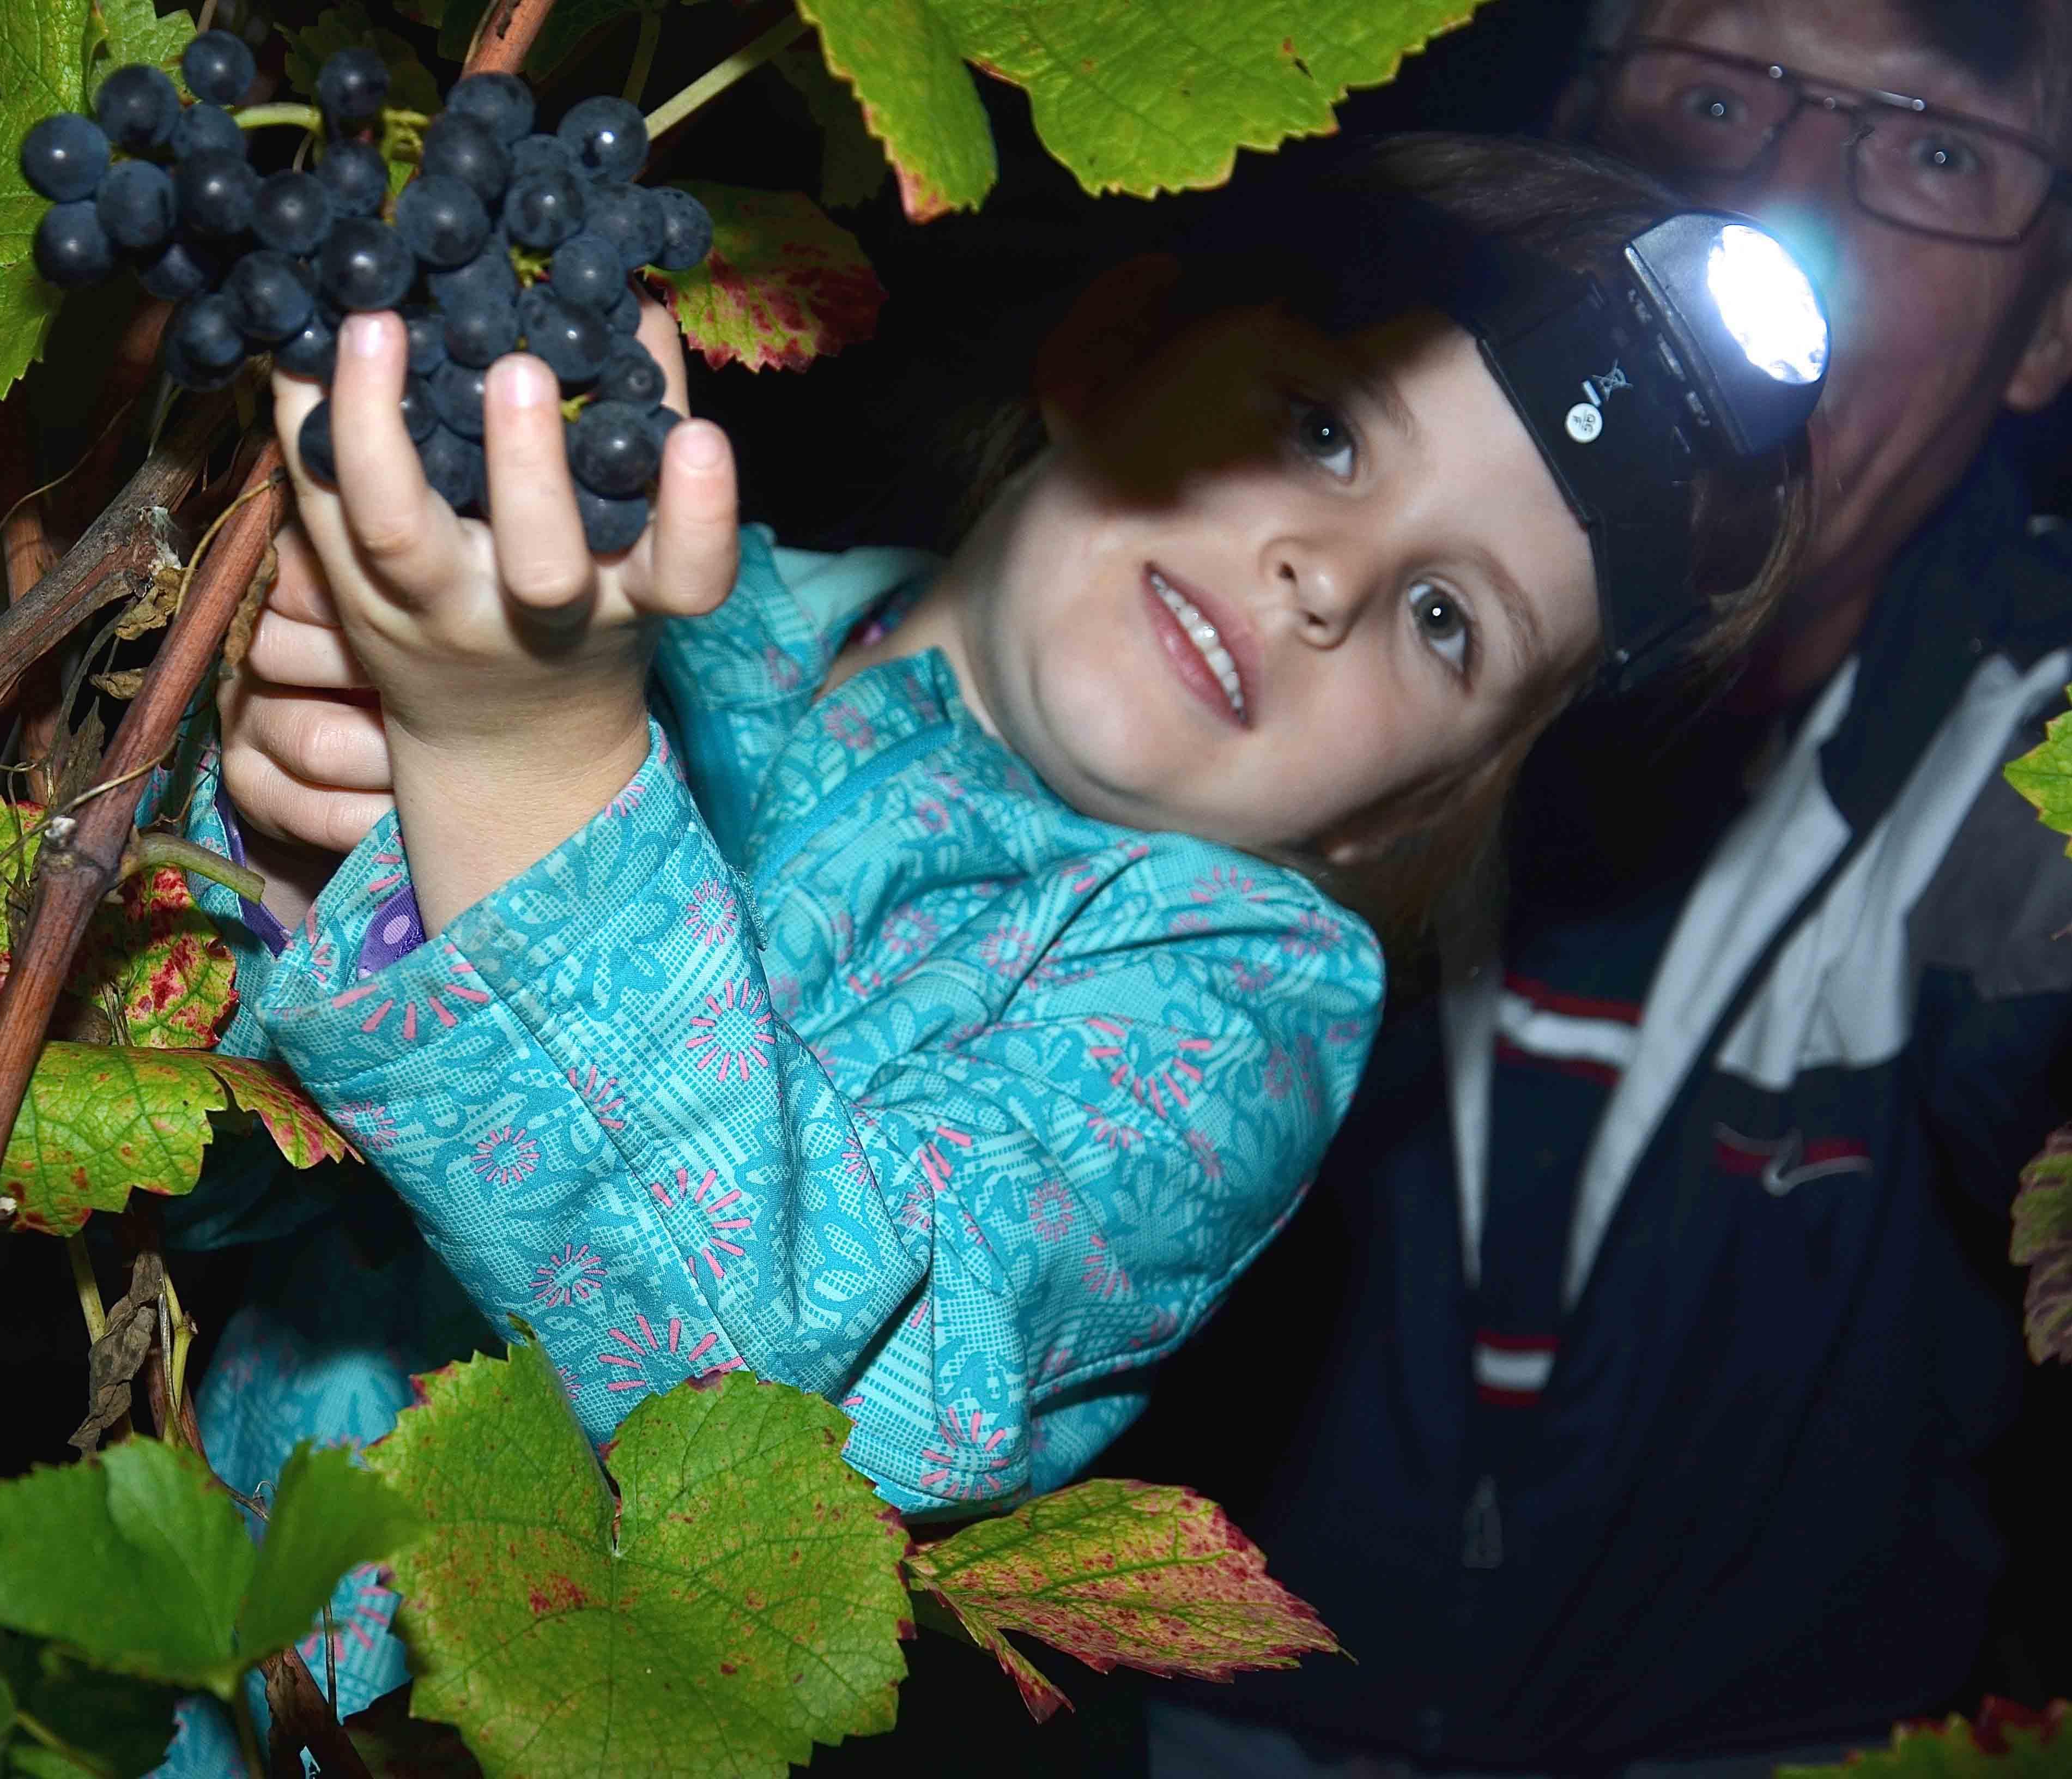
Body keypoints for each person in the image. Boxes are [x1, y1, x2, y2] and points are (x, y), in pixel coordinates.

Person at [147, 131, 1816, 1766]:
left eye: (1447, 621)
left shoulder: (1233, 1003)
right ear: (1111, 352)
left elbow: (799, 1413)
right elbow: (195, 1187)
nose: (1326, 580)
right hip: (153, 1643)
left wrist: (521, 770)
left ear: (1419, 802)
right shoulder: (654, 619)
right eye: (1319, 429)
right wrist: (288, 870)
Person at [1144, 2, 2072, 1774]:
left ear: (2050, 325)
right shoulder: (1243, 556)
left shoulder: (2033, 745)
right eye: (1712, 89)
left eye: (1935, 148)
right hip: (1213, 1713)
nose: (1773, 202)